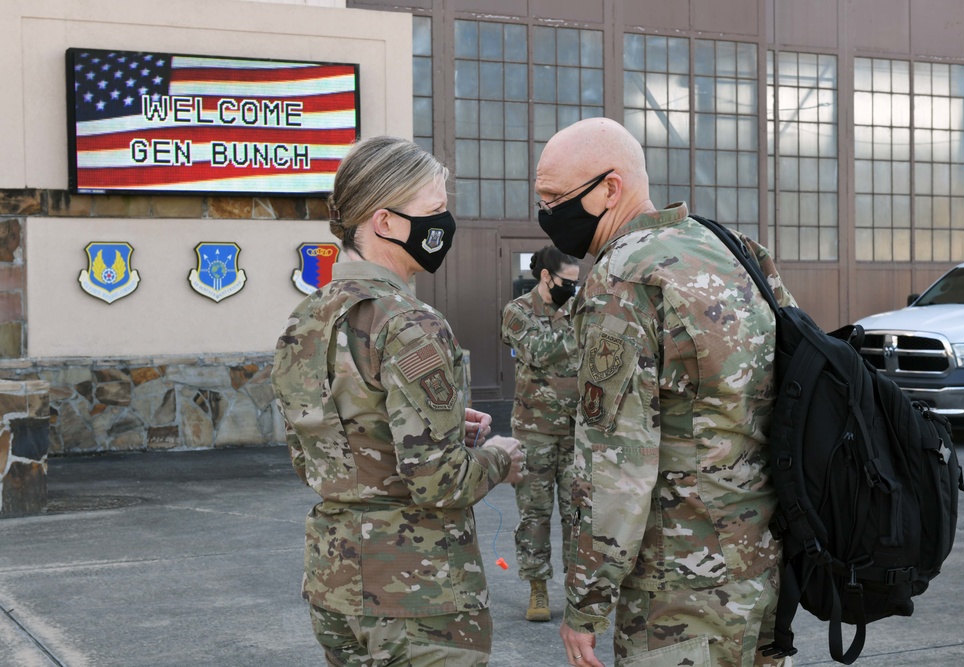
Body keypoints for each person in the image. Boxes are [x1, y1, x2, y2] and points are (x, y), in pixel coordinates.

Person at [534, 117, 797, 667]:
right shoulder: (735, 249)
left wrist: (586, 603)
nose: (547, 216)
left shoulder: (625, 278)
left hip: (679, 587)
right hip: (763, 564)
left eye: (557, 198)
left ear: (611, 187)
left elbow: (615, 468)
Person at [271, 135, 524, 667]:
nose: (445, 223)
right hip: (417, 592)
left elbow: (327, 446)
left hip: (334, 581)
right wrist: (501, 456)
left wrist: (449, 425)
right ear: (384, 222)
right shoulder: (409, 323)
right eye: (435, 210)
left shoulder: (307, 317)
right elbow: (439, 482)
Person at [500, 245, 581, 623]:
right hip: (534, 430)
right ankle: (537, 587)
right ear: (547, 276)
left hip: (577, 430)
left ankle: (578, 592)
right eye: (568, 283)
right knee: (534, 513)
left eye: (578, 285)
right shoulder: (517, 312)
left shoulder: (579, 309)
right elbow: (538, 350)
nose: (574, 291)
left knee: (577, 514)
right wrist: (582, 328)